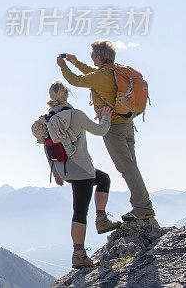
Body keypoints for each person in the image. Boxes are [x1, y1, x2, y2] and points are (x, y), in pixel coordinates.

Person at [58, 40, 155, 221]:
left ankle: (143, 207)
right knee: (131, 166)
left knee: (126, 168)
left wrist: (63, 66)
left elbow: (75, 80)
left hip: (113, 128)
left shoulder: (102, 76)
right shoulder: (113, 71)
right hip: (126, 124)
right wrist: (75, 62)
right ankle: (140, 204)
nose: (91, 56)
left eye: (93, 54)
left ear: (100, 57)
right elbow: (91, 73)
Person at [34, 80, 120, 269]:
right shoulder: (75, 115)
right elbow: (101, 130)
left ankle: (101, 220)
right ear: (66, 95)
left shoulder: (46, 120)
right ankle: (79, 254)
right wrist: (105, 117)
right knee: (80, 212)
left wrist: (56, 172)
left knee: (103, 179)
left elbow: (48, 149)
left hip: (65, 171)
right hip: (83, 170)